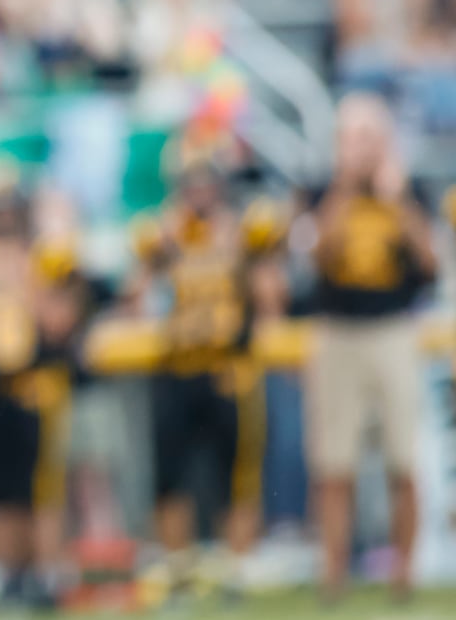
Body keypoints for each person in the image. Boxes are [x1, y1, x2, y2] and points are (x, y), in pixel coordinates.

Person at [127, 161, 288, 602]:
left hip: (227, 371)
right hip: (176, 366)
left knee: (233, 474)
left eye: (205, 183)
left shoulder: (239, 235)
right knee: (170, 474)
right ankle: (178, 567)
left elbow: (271, 301)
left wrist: (250, 254)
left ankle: (235, 567)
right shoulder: (165, 235)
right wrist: (157, 254)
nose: (198, 192)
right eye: (190, 183)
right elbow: (137, 300)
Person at [307, 92, 437, 604]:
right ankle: (332, 573)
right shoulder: (325, 190)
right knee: (333, 464)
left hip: (393, 329)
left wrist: (396, 199)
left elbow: (430, 262)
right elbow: (319, 254)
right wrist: (346, 184)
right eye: (350, 137)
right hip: (338, 331)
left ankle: (403, 573)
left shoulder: (408, 193)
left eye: (366, 137)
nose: (358, 148)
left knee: (403, 459)